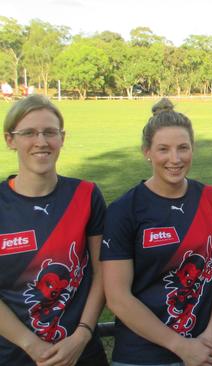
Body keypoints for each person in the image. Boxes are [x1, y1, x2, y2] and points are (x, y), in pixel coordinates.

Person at [101, 98, 212, 366]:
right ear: (146, 151)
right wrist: (180, 346)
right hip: (143, 355)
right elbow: (117, 297)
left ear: (193, 149)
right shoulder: (124, 210)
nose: (175, 159)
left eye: (183, 148)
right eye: (163, 149)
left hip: (207, 351)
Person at [0, 95, 108, 365]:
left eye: (50, 132)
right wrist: (31, 345)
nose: (41, 141)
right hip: (16, 355)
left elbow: (103, 272)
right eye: (28, 133)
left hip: (82, 353)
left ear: (61, 137)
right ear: (10, 139)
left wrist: (82, 334)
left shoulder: (86, 195)